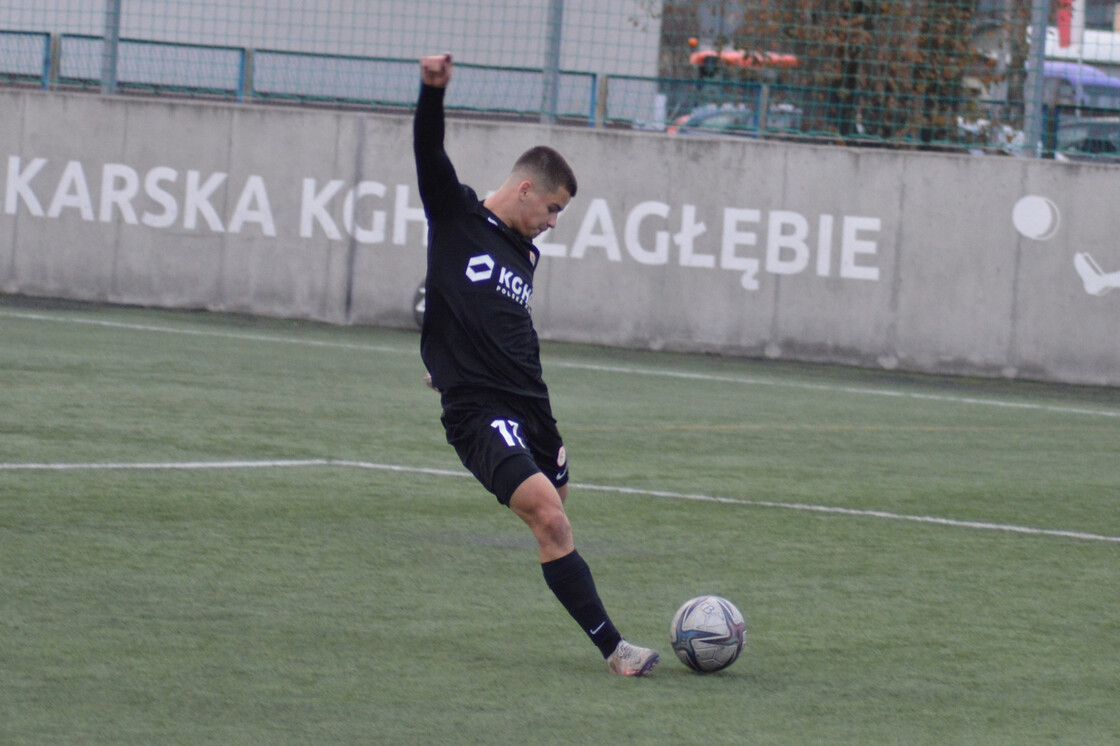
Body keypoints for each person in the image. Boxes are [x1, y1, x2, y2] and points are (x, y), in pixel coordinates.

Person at [414, 53, 659, 676]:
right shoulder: (457, 217)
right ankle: (617, 650)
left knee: (558, 512)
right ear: (526, 188)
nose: (553, 224)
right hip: (478, 410)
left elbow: (484, 318)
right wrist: (432, 91)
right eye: (552, 210)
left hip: (535, 408)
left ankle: (577, 596)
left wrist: (439, 349)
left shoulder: (524, 255)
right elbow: (429, 153)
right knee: (550, 517)